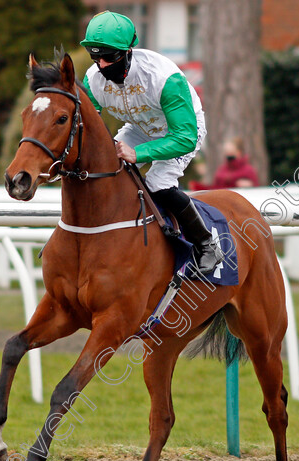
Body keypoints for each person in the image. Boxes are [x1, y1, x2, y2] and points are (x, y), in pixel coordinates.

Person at [80, 11, 224, 275]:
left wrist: (138, 153)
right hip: (139, 128)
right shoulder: (92, 80)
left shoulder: (164, 77)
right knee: (104, 167)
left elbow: (185, 137)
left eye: (109, 57)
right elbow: (89, 130)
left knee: (158, 183)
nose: (101, 66)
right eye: (95, 57)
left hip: (180, 131)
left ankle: (207, 245)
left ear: (128, 51)